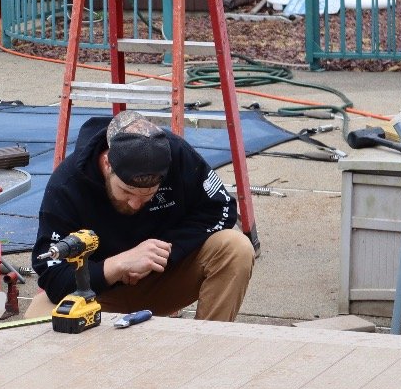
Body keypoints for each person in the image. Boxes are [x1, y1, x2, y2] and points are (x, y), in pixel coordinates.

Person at [26, 110, 255, 321]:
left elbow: (220, 208)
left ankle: (207, 344)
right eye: (126, 191)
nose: (135, 203)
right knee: (36, 320)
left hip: (162, 279)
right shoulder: (67, 185)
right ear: (107, 164)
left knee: (236, 248)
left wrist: (161, 254)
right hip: (98, 293)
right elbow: (52, 274)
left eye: (148, 195)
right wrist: (117, 265)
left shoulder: (176, 153)